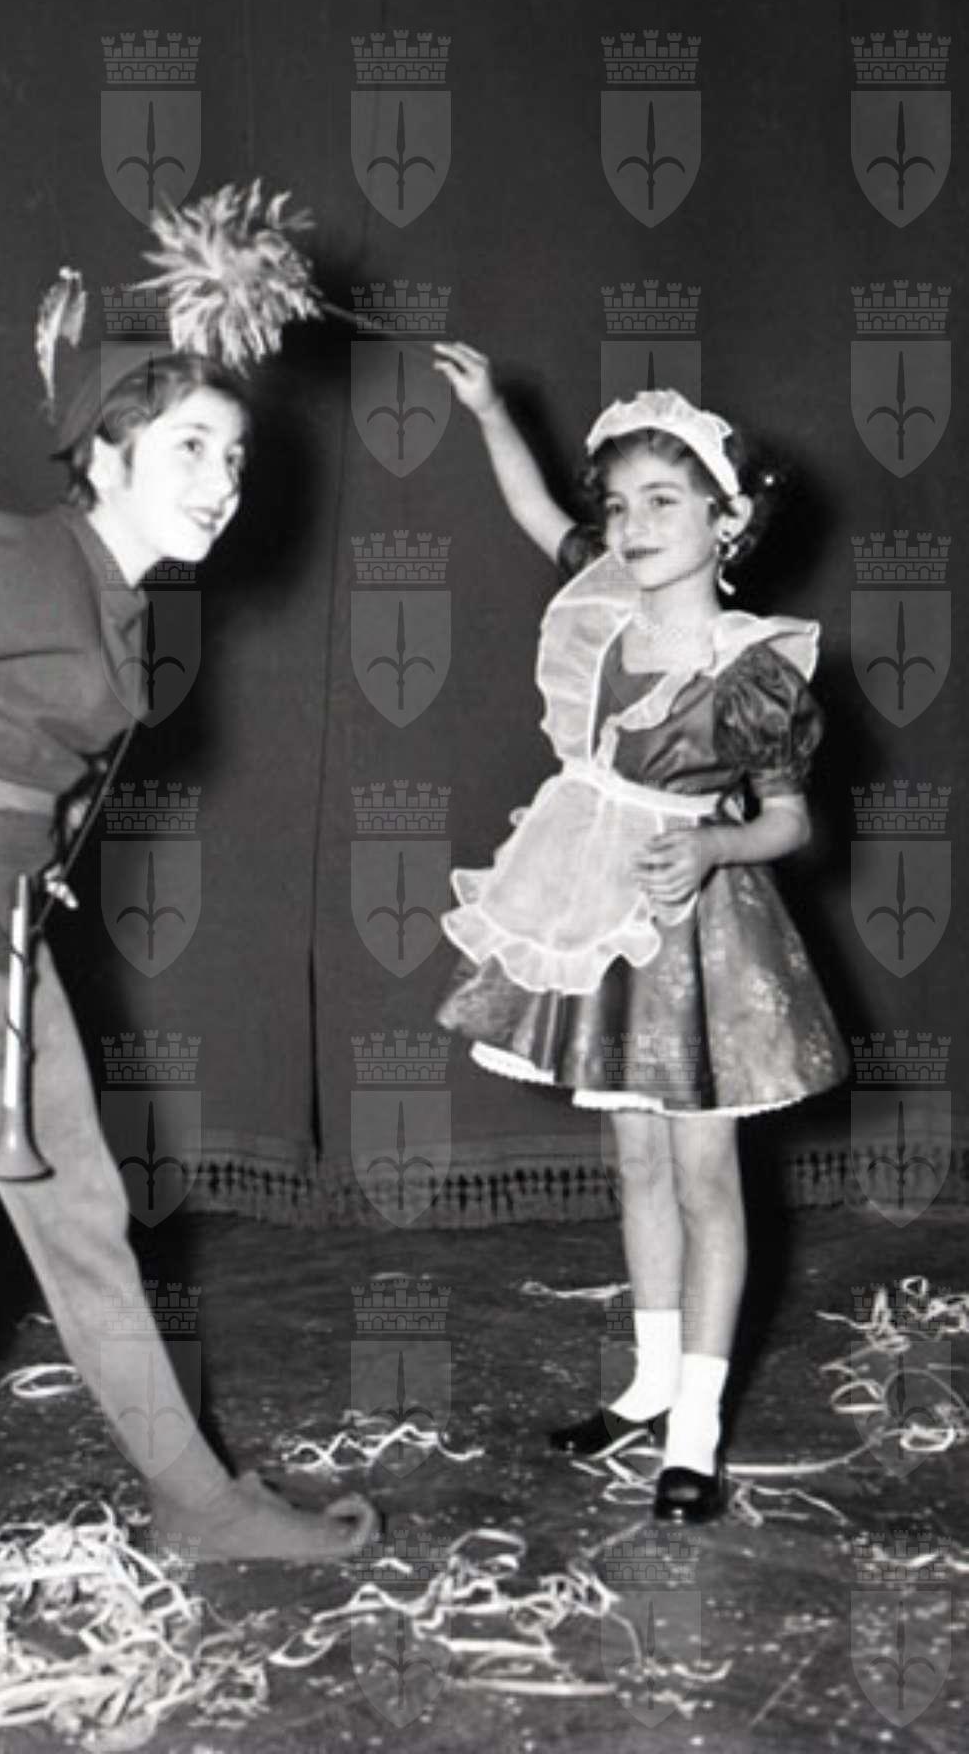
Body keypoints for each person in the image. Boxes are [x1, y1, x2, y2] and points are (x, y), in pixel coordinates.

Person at [0, 349, 377, 1642]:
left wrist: (35, 860)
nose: (222, 481)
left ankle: (197, 1501)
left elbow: (19, 741)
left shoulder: (112, 591)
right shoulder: (20, 557)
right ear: (104, 453)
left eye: (234, 455)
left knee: (83, 1216)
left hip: (0, 923)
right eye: (190, 447)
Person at [429, 349, 848, 1524]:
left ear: (727, 521)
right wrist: (489, 408)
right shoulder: (603, 610)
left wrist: (713, 845)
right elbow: (534, 510)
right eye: (618, 505)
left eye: (664, 500)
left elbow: (789, 821)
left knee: (706, 1174)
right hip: (599, 915)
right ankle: (649, 1383)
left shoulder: (753, 669)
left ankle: (697, 1430)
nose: (631, 524)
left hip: (699, 935)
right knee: (635, 1163)